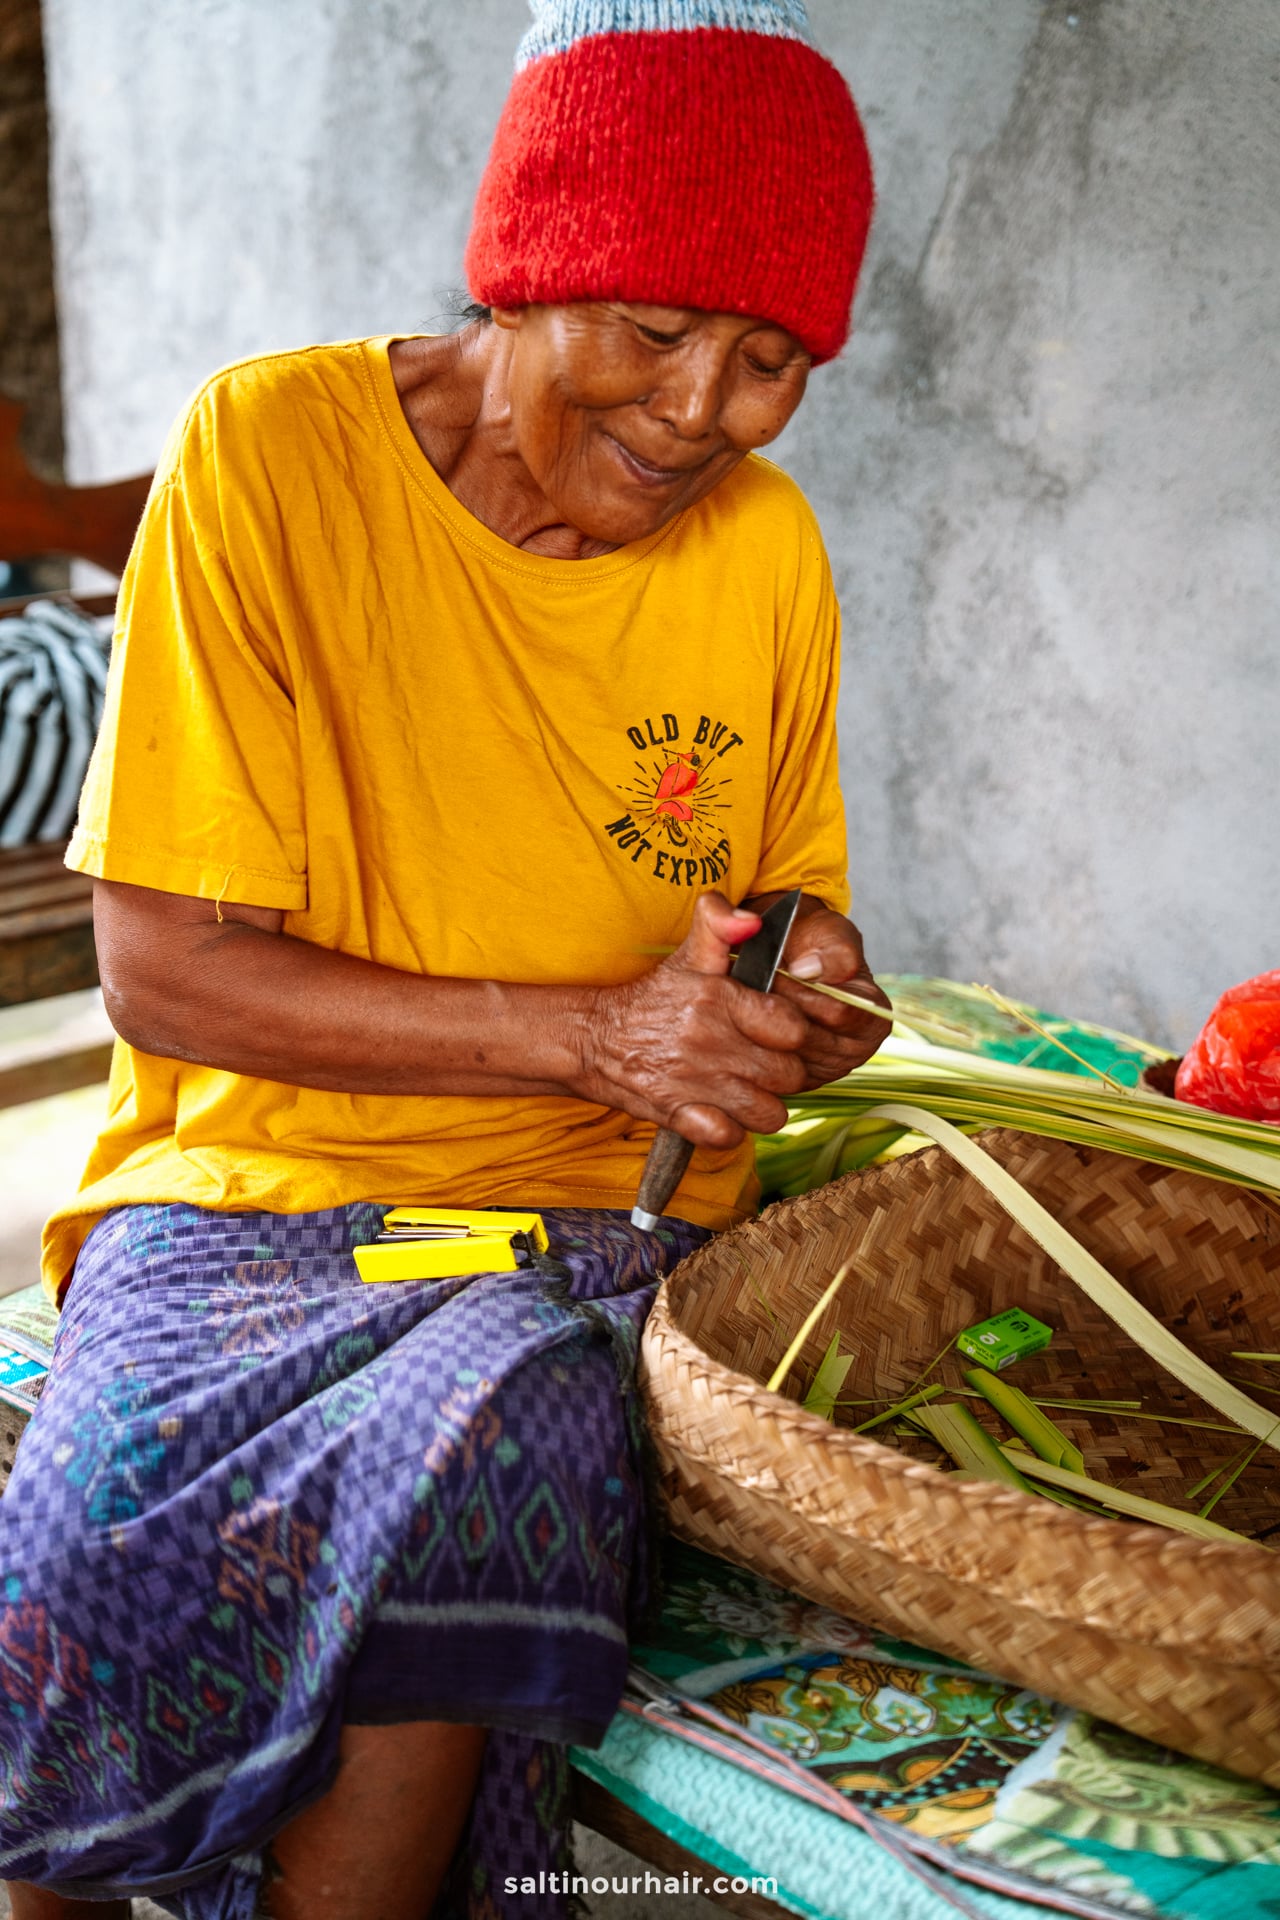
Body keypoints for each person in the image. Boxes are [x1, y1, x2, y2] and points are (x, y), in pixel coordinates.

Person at [0, 3, 887, 1915]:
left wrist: (796, 999)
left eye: (771, 359)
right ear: (526, 269)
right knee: (91, 1513)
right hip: (251, 1193)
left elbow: (802, 923)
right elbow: (167, 976)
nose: (699, 413)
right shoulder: (273, 457)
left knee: (494, 1454)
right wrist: (600, 1038)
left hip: (592, 1231)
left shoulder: (768, 553)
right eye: (656, 332)